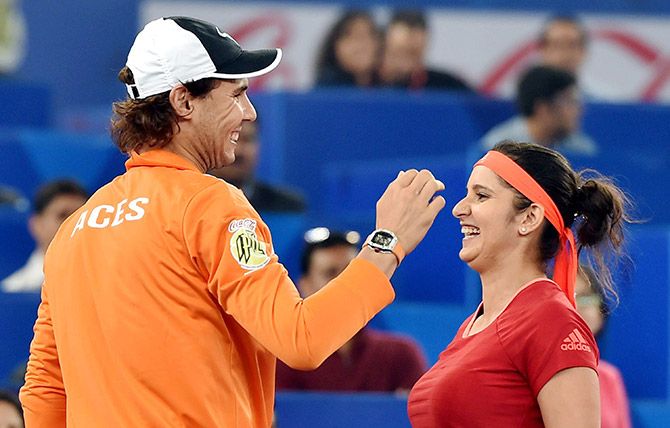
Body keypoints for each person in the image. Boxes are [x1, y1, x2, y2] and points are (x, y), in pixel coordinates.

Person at [20, 16, 446, 427]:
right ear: (183, 101)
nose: (249, 112)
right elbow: (302, 339)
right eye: (236, 94)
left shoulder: (75, 228)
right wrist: (388, 242)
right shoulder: (210, 205)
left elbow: (44, 389)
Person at [408, 141, 631, 426]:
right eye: (467, 194)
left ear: (529, 217)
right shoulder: (474, 324)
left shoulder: (551, 321)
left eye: (481, 196)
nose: (460, 209)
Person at [276, 228, 427, 393]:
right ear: (305, 286)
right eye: (330, 273)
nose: (344, 283)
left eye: (350, 272)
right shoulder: (283, 360)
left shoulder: (401, 354)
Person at [480, 65, 597, 156]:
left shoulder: (581, 148)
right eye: (570, 101)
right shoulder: (497, 150)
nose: (579, 109)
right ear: (543, 108)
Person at [1, 179, 87, 293]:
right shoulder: (14, 290)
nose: (74, 224)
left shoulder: (109, 282)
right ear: (37, 225)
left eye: (80, 216)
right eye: (63, 215)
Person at [575, 267, 633, 428]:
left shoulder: (610, 377)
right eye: (568, 297)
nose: (577, 307)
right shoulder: (541, 373)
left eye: (585, 298)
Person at [208, 120, 306, 213]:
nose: (238, 151)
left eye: (247, 140)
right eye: (232, 139)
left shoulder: (287, 208)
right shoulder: (195, 203)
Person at [378, 10, 472, 92]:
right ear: (385, 44)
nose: (406, 62)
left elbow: (481, 106)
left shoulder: (446, 85)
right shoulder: (368, 82)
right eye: (400, 52)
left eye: (414, 54)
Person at [538, 15, 623, 102]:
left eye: (572, 45)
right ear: (542, 50)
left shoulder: (607, 100)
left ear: (584, 51)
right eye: (557, 45)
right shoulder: (527, 98)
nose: (565, 54)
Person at [315, 10, 381, 88]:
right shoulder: (325, 92)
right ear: (335, 46)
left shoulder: (390, 88)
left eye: (369, 35)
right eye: (353, 36)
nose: (362, 45)